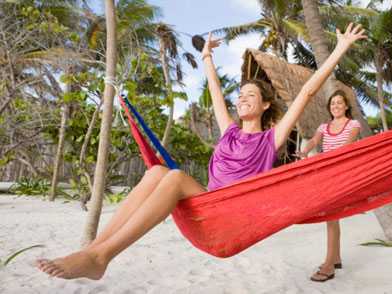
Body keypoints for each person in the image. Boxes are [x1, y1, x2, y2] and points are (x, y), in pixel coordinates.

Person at [36, 23, 366, 280]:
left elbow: (307, 92)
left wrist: (339, 48)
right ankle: (95, 251)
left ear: (266, 105)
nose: (243, 98)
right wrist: (207, 57)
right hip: (207, 209)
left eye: (251, 95)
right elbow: (215, 91)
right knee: (156, 171)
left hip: (231, 221)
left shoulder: (271, 139)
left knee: (176, 176)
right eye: (241, 94)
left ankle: (100, 257)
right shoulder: (230, 132)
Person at [297, 90, 361, 282]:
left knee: (332, 217)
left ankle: (329, 265)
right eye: (333, 104)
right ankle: (337, 258)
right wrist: (305, 152)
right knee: (333, 218)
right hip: (327, 174)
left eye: (339, 103)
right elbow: (315, 141)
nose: (336, 106)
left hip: (342, 175)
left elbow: (348, 145)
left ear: (346, 106)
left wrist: (331, 159)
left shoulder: (353, 124)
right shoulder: (324, 126)